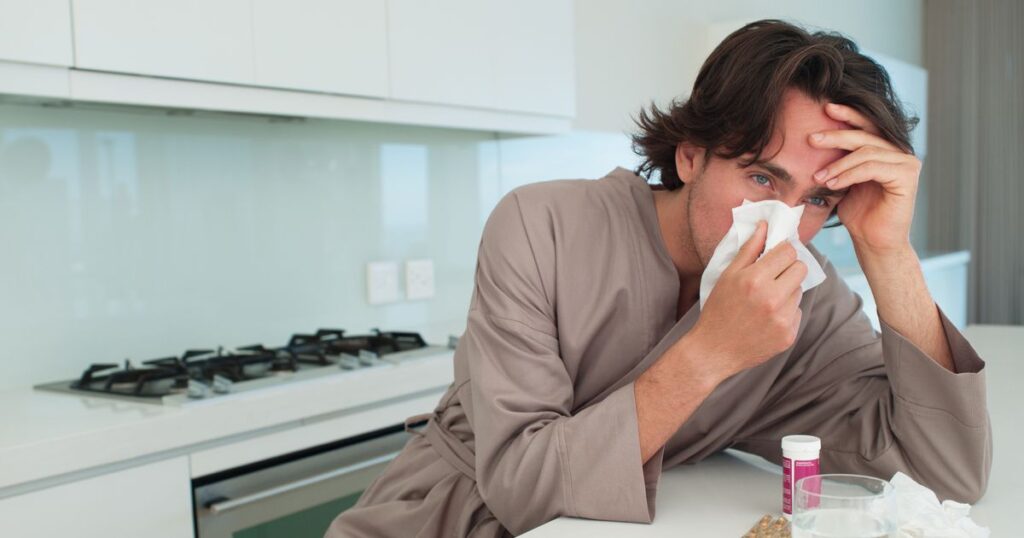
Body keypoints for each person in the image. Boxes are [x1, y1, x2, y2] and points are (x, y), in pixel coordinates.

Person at [326, 19, 992, 538]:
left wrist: (887, 250)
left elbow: (945, 473)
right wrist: (709, 354)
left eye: (818, 200)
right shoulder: (541, 225)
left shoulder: (806, 302)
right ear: (692, 153)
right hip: (439, 519)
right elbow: (521, 487)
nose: (780, 222)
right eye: (762, 178)